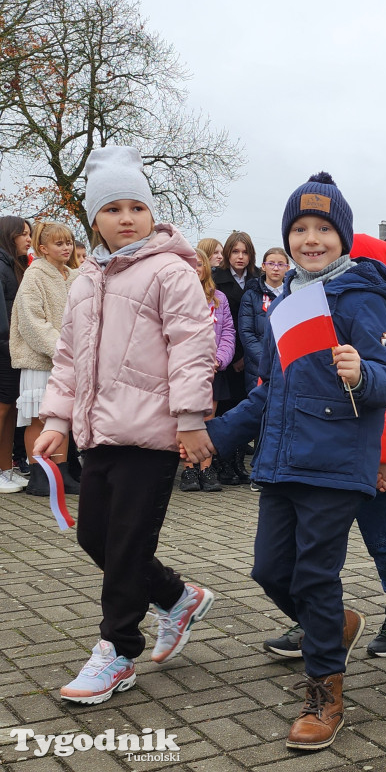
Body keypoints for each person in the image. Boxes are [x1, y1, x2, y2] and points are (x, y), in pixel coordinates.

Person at [205, 172, 386, 751]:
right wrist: (217, 436)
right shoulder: (288, 299)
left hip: (338, 461)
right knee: (270, 570)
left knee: (315, 575)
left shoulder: (364, 298)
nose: (311, 238)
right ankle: (335, 625)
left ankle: (325, 691)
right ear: (287, 238)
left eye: (323, 228)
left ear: (342, 237)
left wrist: (363, 373)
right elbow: (270, 389)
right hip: (282, 460)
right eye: (300, 229)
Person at [35, 145, 216, 705]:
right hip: (98, 433)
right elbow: (68, 357)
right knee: (96, 536)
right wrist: (57, 419)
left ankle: (117, 651)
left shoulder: (170, 270)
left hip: (152, 433)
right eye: (112, 208)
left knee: (127, 544)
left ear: (151, 212)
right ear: (95, 219)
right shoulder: (84, 279)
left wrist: (189, 418)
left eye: (136, 206)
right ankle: (178, 597)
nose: (126, 217)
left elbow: (193, 346)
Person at [262, 233, 386, 662]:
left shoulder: (376, 322)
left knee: (382, 538)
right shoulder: (313, 312)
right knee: (308, 556)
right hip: (330, 457)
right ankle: (319, 621)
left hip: (374, 458)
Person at [10, 220, 80, 497]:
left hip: (70, 360)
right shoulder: (34, 276)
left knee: (61, 416)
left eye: (69, 242)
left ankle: (60, 473)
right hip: (42, 360)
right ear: (43, 248)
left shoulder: (74, 277)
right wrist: (62, 349)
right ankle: (40, 475)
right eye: (58, 243)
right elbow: (31, 322)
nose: (66, 247)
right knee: (38, 418)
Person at [178, 249, 235, 493]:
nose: (195, 268)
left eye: (199, 264)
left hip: (213, 370)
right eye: (190, 264)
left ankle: (206, 468)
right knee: (188, 417)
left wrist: (220, 360)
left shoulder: (219, 298)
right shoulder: (176, 296)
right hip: (186, 369)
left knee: (208, 420)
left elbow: (228, 333)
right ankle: (189, 468)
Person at [212, 230, 258, 483]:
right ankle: (222, 464)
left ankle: (239, 464)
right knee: (224, 409)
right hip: (224, 354)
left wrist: (245, 356)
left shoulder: (256, 279)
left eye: (245, 252)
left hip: (248, 355)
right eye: (235, 251)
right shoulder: (216, 280)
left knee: (243, 407)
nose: (240, 257)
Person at [0, 216, 32, 493]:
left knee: (10, 408)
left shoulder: (15, 265)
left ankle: (5, 469)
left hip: (12, 348)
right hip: (3, 347)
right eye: (23, 234)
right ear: (9, 236)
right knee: (1, 408)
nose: (29, 239)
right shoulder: (1, 267)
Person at [238, 248, 289, 394]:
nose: (275, 268)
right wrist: (266, 361)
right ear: (263, 266)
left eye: (280, 264)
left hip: (286, 365)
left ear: (287, 268)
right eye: (271, 263)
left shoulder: (292, 294)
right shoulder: (250, 295)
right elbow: (246, 332)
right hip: (257, 367)